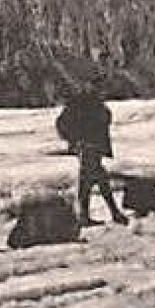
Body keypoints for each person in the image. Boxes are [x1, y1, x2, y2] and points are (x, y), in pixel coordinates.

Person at [55, 83, 127, 226]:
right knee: (92, 180)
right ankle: (104, 214)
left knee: (94, 179)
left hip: (89, 147)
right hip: (89, 147)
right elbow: (103, 120)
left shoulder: (87, 104)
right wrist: (78, 140)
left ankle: (94, 214)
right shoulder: (86, 105)